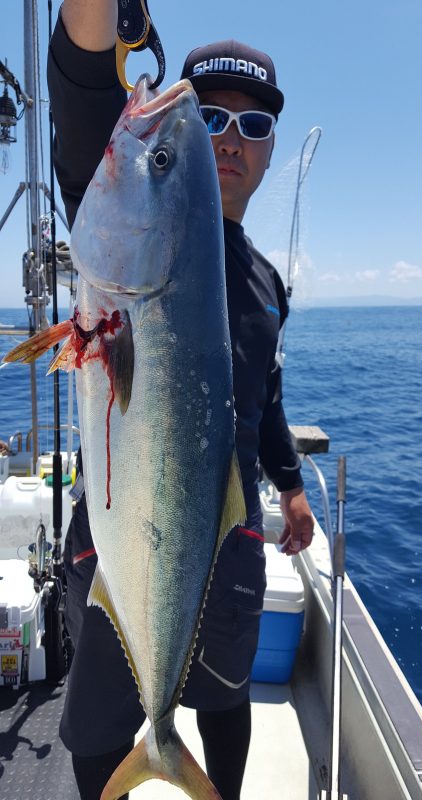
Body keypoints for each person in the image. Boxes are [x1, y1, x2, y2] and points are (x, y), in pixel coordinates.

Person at [47, 3, 314, 799]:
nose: (229, 135)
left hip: (225, 531)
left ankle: (194, 773)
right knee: (96, 725)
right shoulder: (126, 214)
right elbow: (85, 78)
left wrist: (292, 486)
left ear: (269, 152)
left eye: (254, 123)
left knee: (226, 701)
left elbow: (264, 395)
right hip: (118, 527)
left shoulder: (266, 282)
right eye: (214, 114)